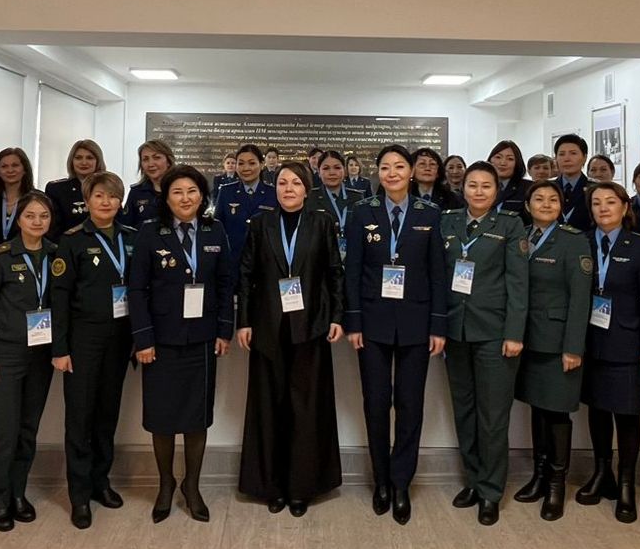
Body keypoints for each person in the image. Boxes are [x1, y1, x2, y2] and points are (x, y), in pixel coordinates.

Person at [344, 144, 448, 525]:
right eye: (385, 167)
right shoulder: (362, 212)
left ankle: (402, 481)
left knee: (409, 405)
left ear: (411, 172)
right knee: (375, 403)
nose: (392, 173)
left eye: (399, 167)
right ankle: (382, 480)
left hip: (417, 323)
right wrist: (354, 322)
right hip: (372, 323)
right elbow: (352, 271)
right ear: (378, 173)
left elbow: (438, 273)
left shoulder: (429, 214)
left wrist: (438, 325)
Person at [236, 162, 345, 517]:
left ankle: (302, 487)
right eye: (282, 182)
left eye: (296, 183)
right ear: (275, 188)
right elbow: (246, 275)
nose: (288, 189)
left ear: (306, 189)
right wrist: (244, 322)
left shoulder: (322, 223)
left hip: (311, 327)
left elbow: (334, 273)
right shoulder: (260, 224)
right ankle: (271, 486)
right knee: (270, 407)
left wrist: (337, 317)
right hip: (267, 327)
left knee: (306, 409)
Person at [129, 165, 233, 524]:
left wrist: (224, 330)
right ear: (167, 197)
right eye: (177, 192)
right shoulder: (150, 232)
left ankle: (192, 485)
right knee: (162, 418)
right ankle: (165, 484)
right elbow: (137, 289)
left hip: (202, 338)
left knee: (196, 417)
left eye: (192, 191)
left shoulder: (214, 230)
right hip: (160, 340)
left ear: (202, 196)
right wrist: (143, 338)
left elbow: (225, 283)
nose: (185, 198)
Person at [440, 162, 529, 526]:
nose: (478, 191)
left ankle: (491, 490)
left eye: (486, 186)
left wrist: (514, 333)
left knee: (492, 416)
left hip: (494, 332)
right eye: (472, 185)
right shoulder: (447, 222)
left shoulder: (510, 225)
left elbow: (519, 283)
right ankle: (474, 480)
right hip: (455, 331)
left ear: (497, 191)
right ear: (462, 188)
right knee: (464, 411)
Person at [52, 172, 136, 529]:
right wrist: (60, 347)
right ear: (87, 201)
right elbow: (58, 297)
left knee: (107, 413)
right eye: (99, 196)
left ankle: (101, 482)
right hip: (83, 339)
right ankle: (79, 494)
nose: (106, 202)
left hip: (120, 338)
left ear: (120, 201)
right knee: (80, 417)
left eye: (113, 196)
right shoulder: (72, 240)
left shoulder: (132, 238)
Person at [577, 181, 640, 525]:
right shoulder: (581, 242)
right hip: (589, 341)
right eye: (596, 203)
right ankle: (602, 473)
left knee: (626, 415)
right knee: (597, 411)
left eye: (610, 202)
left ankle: (627, 482)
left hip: (627, 342)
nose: (603, 208)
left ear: (625, 207)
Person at [0, 191, 58, 532]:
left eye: (44, 216)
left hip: (41, 356)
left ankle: (17, 493)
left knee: (27, 429)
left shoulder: (56, 255)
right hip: (5, 355)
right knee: (4, 431)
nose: (37, 222)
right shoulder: (0, 256)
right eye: (30, 215)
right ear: (18, 219)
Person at [511, 180, 592, 522]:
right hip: (527, 339)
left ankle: (557, 484)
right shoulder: (521, 235)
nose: (546, 204)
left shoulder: (573, 240)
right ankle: (540, 475)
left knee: (557, 413)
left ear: (561, 206)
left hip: (559, 342)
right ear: (527, 205)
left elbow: (580, 298)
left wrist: (573, 346)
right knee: (538, 409)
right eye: (539, 199)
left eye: (553, 199)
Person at [215, 144, 278, 272]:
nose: (246, 168)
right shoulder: (226, 192)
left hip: (266, 264)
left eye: (252, 163)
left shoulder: (273, 193)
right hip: (233, 263)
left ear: (261, 164)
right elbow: (218, 227)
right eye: (241, 163)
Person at [308, 150, 365, 261]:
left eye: (337, 168)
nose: (332, 173)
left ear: (344, 170)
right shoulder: (310, 198)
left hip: (352, 260)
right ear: (319, 172)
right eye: (326, 168)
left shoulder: (357, 197)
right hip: (319, 261)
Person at [44, 139, 105, 242]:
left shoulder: (108, 187)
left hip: (103, 244)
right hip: (68, 245)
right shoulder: (56, 189)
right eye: (78, 158)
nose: (84, 162)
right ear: (71, 161)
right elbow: (52, 228)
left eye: (89, 158)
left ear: (98, 161)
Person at [0, 148, 35, 244]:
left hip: (24, 252)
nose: (10, 170)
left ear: (25, 169)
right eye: (4, 166)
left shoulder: (36, 199)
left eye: (15, 165)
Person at [118, 139, 174, 228]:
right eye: (145, 159)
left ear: (168, 161)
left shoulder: (179, 189)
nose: (151, 164)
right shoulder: (136, 192)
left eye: (156, 158)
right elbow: (125, 226)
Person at [553, 134, 593, 231]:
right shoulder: (548, 188)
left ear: (584, 157)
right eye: (561, 154)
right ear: (556, 158)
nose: (567, 159)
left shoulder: (594, 189)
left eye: (573, 153)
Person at [488, 140, 532, 218]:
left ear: (517, 163)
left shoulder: (528, 188)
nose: (503, 163)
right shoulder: (480, 186)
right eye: (498, 157)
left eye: (510, 159)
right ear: (490, 161)